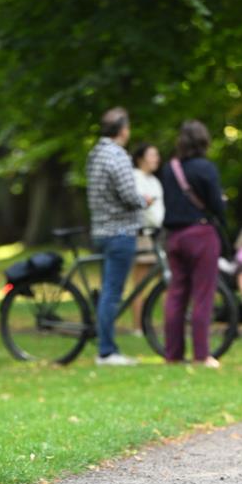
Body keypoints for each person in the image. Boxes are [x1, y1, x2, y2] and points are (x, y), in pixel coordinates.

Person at [86, 107, 152, 366]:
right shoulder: (118, 155)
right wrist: (144, 200)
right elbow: (127, 194)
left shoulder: (95, 153)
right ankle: (106, 351)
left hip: (101, 230)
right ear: (123, 130)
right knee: (112, 294)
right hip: (120, 231)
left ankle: (106, 346)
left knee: (108, 291)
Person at [161, 119, 227, 368]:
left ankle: (173, 355)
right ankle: (201, 355)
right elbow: (216, 205)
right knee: (203, 294)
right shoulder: (205, 168)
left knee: (176, 295)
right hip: (200, 234)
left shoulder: (170, 168)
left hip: (174, 236)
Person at [131, 143, 165, 334]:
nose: (156, 159)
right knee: (140, 283)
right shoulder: (135, 177)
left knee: (166, 281)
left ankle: (167, 325)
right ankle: (137, 326)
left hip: (158, 234)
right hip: (143, 234)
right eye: (152, 155)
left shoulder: (155, 181)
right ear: (140, 158)